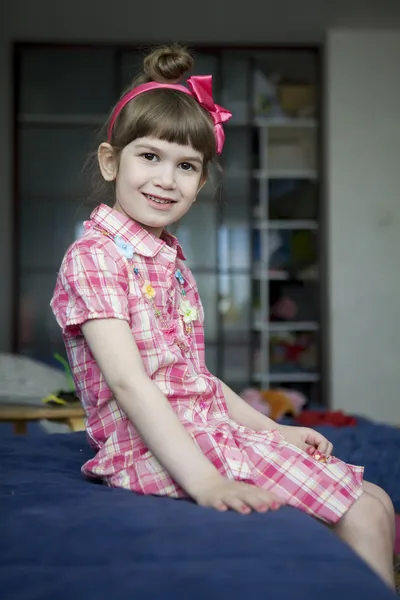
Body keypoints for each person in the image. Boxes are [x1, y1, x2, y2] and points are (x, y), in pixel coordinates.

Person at [50, 45, 395, 589]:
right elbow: (129, 382)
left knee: (377, 498)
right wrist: (206, 483)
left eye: (186, 166)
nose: (167, 179)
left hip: (202, 427)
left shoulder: (168, 261)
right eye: (150, 156)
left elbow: (197, 381)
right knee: (367, 512)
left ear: (201, 181)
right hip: (152, 445)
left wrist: (276, 431)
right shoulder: (94, 256)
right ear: (111, 160)